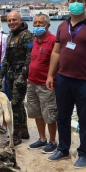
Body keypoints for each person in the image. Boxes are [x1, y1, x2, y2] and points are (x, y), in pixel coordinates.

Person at [46, 0, 86, 168]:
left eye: (79, 1)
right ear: (67, 3)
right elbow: (56, 52)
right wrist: (51, 74)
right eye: (73, 1)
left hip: (85, 81)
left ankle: (84, 153)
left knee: (84, 119)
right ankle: (63, 148)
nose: (76, 4)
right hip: (63, 79)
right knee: (63, 116)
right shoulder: (62, 26)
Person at [0, 10, 34, 144]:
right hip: (10, 74)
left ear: (21, 20)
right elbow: (6, 58)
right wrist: (1, 75)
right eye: (10, 20)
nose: (12, 22)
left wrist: (23, 76)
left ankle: (15, 135)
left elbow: (30, 57)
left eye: (14, 20)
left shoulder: (28, 36)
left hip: (20, 75)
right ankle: (24, 131)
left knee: (14, 105)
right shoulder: (10, 36)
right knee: (18, 105)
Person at [26, 13, 58, 154]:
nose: (37, 25)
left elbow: (58, 62)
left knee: (49, 114)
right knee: (37, 113)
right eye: (35, 23)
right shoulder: (34, 41)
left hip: (46, 85)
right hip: (31, 82)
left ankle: (52, 141)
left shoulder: (53, 41)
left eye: (40, 23)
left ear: (48, 25)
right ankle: (42, 138)